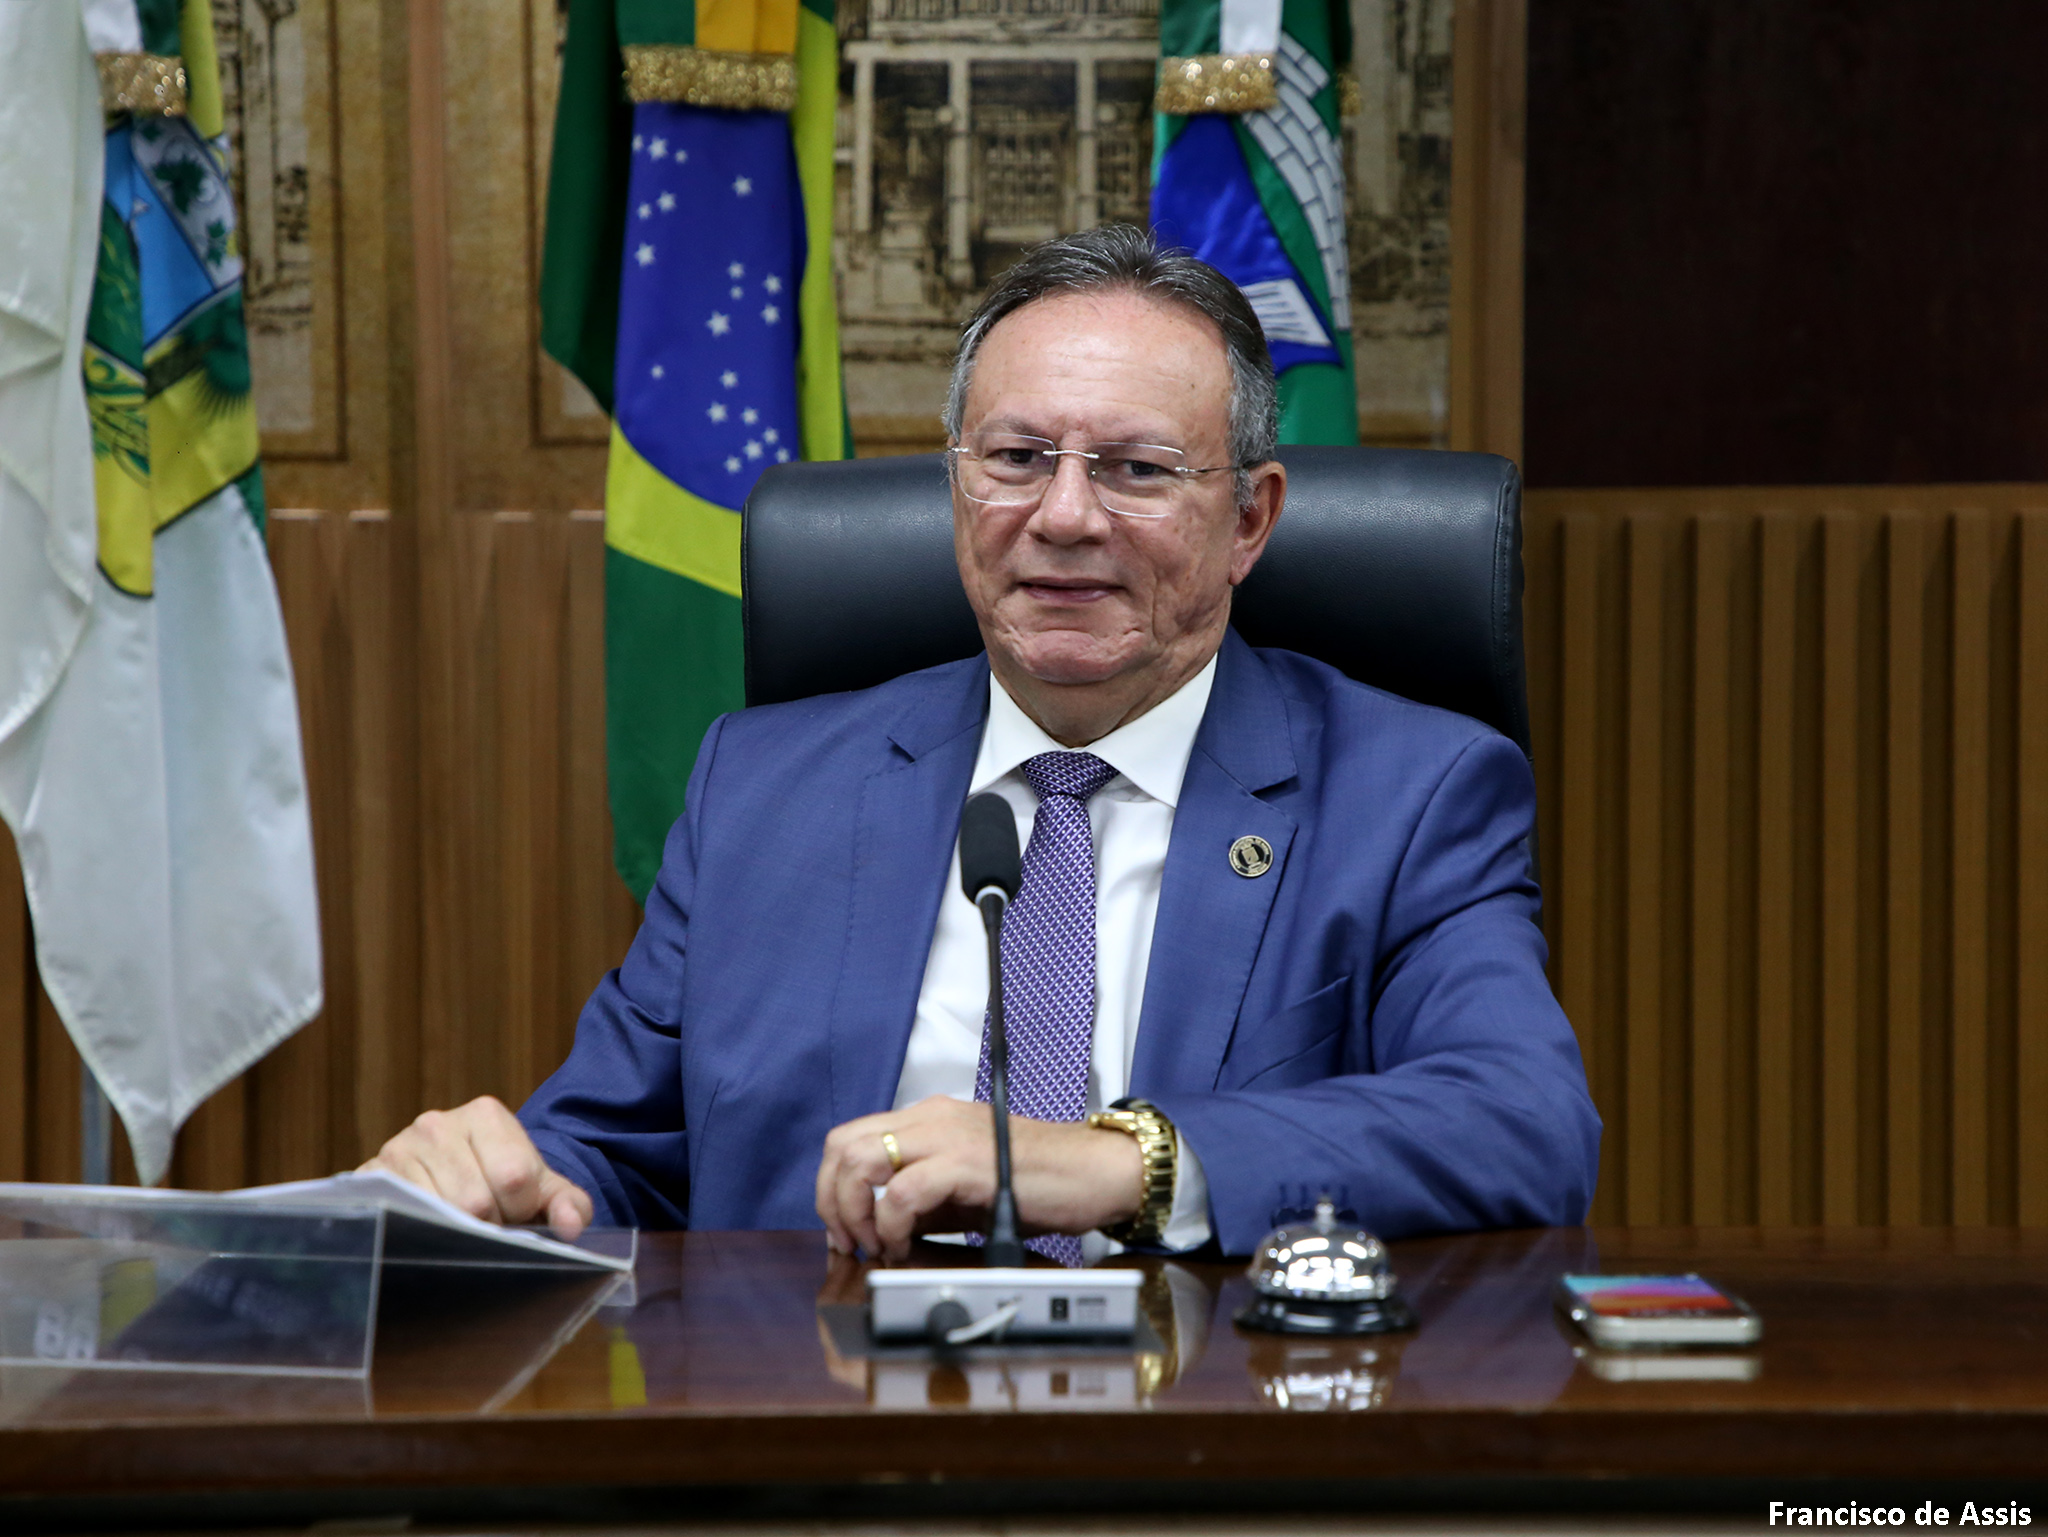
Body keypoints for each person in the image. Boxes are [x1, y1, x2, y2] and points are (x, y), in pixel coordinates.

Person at [365, 226, 1601, 1259]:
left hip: (1197, 1427)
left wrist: (1118, 1161)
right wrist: (498, 1184)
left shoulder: (1410, 793)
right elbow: (608, 1154)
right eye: (1014, 458)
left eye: (1135, 468)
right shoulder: (763, 787)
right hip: (812, 1416)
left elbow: (1523, 1122)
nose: (1062, 515)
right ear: (956, 486)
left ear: (1247, 519)